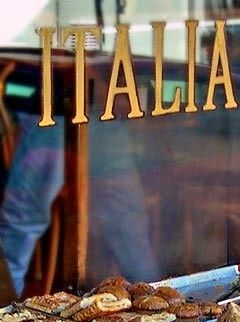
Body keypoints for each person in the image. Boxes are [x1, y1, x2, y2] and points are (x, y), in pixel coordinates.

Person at [0, 110, 160, 296]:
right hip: (64, 116)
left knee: (19, 229)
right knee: (130, 231)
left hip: (77, 115)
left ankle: (153, 304)